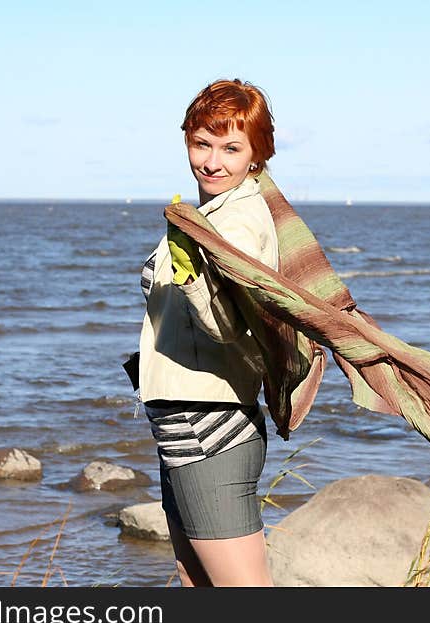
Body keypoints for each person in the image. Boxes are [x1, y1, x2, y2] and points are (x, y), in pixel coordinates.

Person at [136, 78, 279, 587]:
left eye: (231, 148)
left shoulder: (234, 223)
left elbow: (228, 327)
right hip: (184, 423)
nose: (213, 161)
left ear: (256, 157)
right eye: (202, 143)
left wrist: (192, 274)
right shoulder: (205, 216)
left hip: (208, 425)